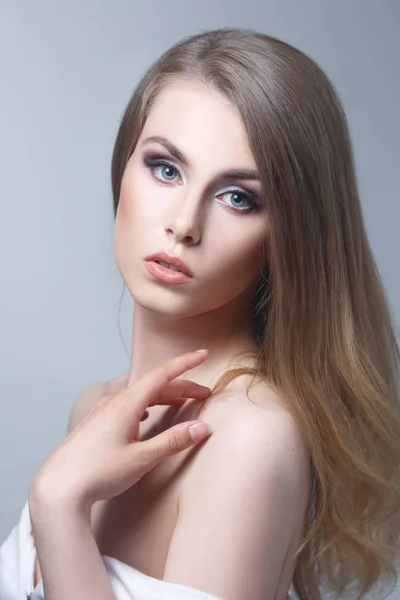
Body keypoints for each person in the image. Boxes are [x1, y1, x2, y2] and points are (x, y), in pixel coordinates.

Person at [1, 26, 400, 600]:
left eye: (239, 197)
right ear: (123, 167)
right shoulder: (95, 410)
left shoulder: (248, 438)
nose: (185, 222)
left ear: (289, 236)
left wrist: (58, 507)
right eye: (166, 168)